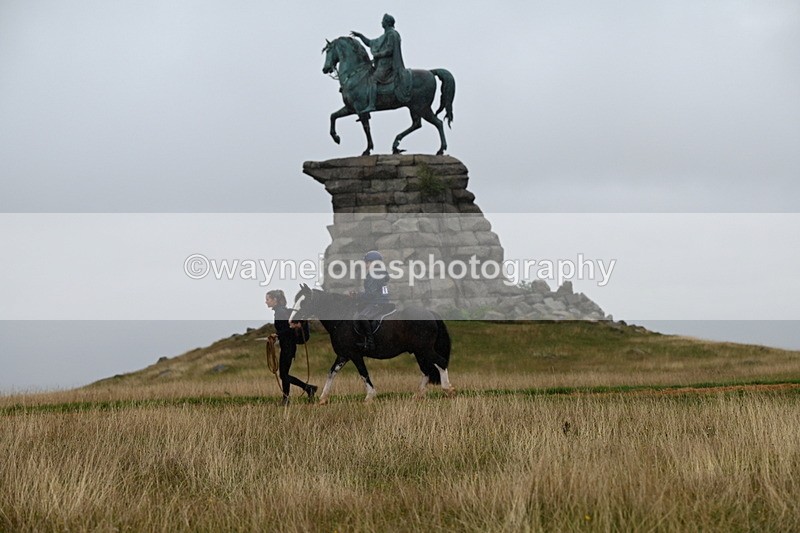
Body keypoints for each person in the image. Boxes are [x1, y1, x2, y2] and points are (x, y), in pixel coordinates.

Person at [350, 13, 413, 114]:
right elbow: (370, 42)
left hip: (388, 65)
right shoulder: (385, 36)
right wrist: (360, 36)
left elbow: (390, 50)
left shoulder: (392, 34)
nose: (381, 23)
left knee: (373, 79)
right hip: (382, 64)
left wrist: (378, 54)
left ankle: (371, 105)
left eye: (383, 21)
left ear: (387, 23)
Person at [265, 289, 317, 405]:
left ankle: (308, 388)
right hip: (288, 346)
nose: (266, 302)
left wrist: (276, 335)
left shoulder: (280, 312)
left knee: (283, 375)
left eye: (268, 299)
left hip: (288, 346)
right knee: (284, 374)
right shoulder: (281, 311)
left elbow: (289, 329)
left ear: (275, 300)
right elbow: (287, 329)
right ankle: (286, 399)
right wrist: (277, 336)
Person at [353, 250, 390, 351]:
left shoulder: (373, 274)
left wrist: (357, 296)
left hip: (377, 303)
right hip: (383, 301)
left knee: (362, 317)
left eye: (367, 262)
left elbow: (370, 294)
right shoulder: (380, 272)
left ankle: (370, 343)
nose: (365, 264)